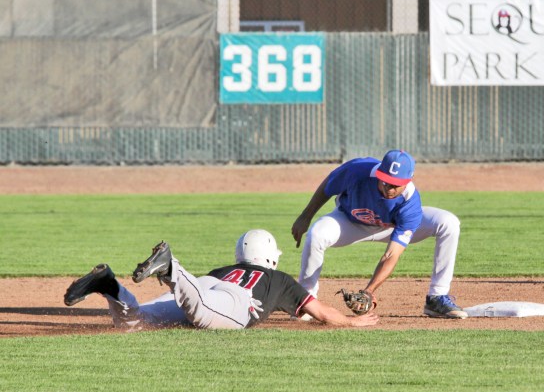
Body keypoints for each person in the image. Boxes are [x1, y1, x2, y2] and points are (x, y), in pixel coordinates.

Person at [64, 229, 379, 330]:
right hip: (232, 302)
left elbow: (200, 293)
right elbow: (321, 312)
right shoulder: (280, 279)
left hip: (203, 282)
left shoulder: (224, 269)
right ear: (270, 255)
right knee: (200, 312)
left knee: (136, 321)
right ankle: (170, 265)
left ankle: (110, 286)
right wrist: (353, 322)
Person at [291, 149, 467, 319]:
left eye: (395, 185)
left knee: (448, 222)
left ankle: (437, 297)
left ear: (408, 180)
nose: (389, 188)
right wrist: (305, 216)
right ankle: (307, 301)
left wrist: (369, 291)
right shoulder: (358, 170)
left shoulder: (410, 203)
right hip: (350, 222)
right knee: (316, 234)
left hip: (391, 226)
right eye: (385, 181)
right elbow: (328, 186)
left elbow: (391, 255)